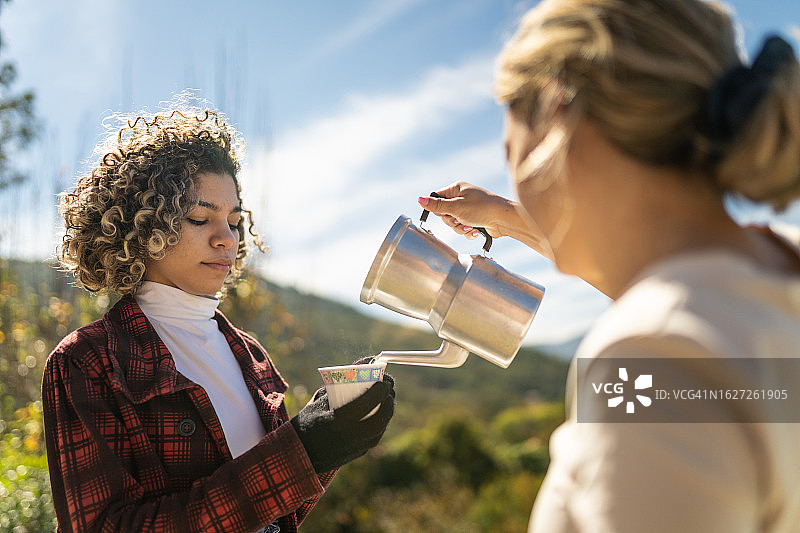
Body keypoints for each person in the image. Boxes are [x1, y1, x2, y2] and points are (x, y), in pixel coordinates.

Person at [419, 0, 800, 531]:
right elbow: (667, 286)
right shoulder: (775, 268)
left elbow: (666, 318)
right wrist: (507, 219)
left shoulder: (652, 359)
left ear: (557, 115)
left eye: (511, 149)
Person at [43, 104, 395, 533]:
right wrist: (299, 451)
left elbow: (276, 517)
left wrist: (328, 443)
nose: (226, 240)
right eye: (199, 217)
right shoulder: (88, 361)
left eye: (232, 221)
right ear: (141, 225)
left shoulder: (249, 353)